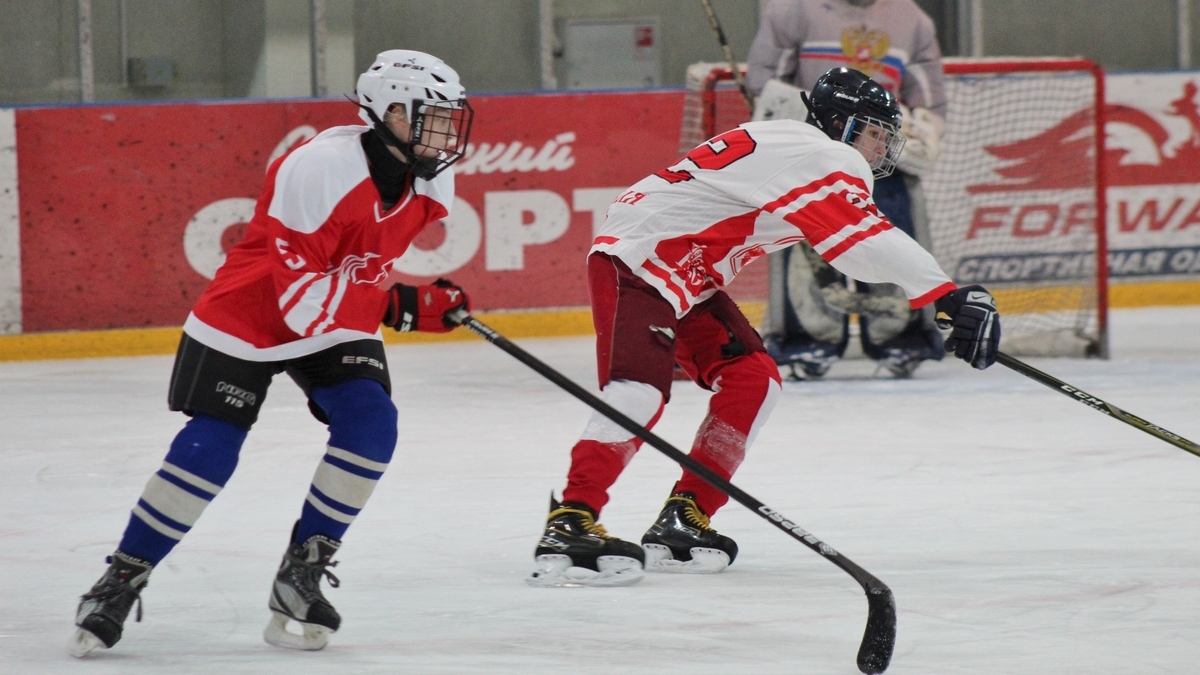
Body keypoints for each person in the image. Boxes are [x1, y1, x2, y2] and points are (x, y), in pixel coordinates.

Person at [528, 66, 1001, 587]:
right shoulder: (825, 153)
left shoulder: (795, 148)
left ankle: (684, 518)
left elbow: (850, 250)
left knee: (754, 377)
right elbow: (860, 242)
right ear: (841, 126)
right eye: (874, 133)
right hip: (640, 258)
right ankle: (571, 522)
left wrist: (934, 293)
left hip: (682, 271)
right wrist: (944, 293)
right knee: (639, 392)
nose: (880, 148)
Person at [69, 49, 474, 655]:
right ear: (390, 111)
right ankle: (122, 576)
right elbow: (300, 302)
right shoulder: (318, 168)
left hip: (335, 310)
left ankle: (301, 574)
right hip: (251, 313)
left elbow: (358, 266)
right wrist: (398, 306)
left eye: (450, 117)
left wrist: (394, 299)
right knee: (214, 442)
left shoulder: (429, 172)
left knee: (371, 423)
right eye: (432, 116)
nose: (446, 132)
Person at [745, 0, 949, 379]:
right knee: (799, 242)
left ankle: (902, 338)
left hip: (880, 153)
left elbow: (928, 94)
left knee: (893, 237)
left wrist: (928, 127)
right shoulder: (792, 11)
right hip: (812, 154)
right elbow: (765, 81)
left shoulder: (911, 18)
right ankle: (806, 339)